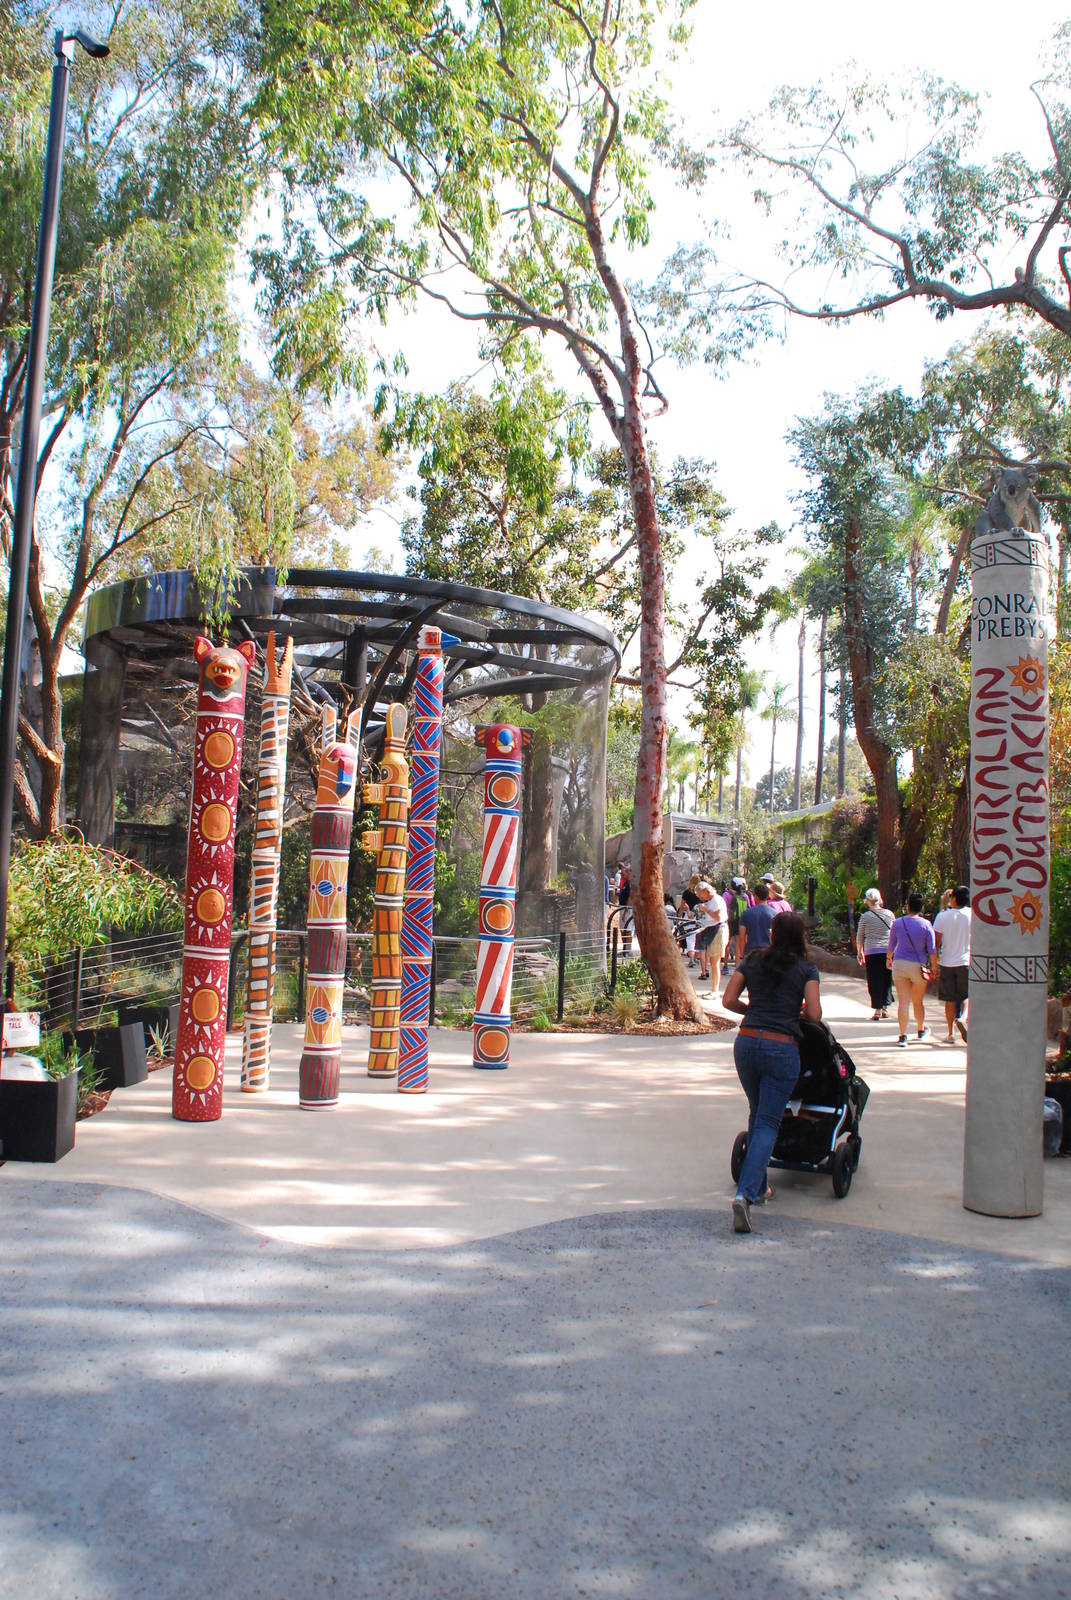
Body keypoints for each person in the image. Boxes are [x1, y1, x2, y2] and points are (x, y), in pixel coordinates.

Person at [722, 912, 821, 1233]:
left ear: (773, 934)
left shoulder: (752, 960)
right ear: (800, 937)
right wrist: (792, 1013)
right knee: (768, 1121)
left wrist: (754, 1010)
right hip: (781, 1047)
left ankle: (760, 1187)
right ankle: (745, 1194)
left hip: (747, 1043)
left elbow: (728, 1000)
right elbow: (815, 1015)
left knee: (757, 1113)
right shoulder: (807, 968)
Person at [887, 892, 935, 1044]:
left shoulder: (898, 923)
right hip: (918, 966)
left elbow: (891, 945)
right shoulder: (926, 925)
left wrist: (889, 959)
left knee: (903, 1001)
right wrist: (934, 967)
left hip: (900, 964)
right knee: (917, 1001)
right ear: (921, 907)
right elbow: (932, 949)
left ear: (908, 906)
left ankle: (903, 1036)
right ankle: (920, 1030)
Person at [933, 884, 971, 1044]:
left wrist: (934, 963)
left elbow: (936, 942)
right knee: (967, 996)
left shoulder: (942, 916)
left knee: (949, 999)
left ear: (953, 897)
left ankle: (950, 1033)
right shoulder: (972, 915)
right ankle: (962, 1017)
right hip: (966, 961)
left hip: (947, 962)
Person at [855, 887, 894, 1020]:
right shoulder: (889, 914)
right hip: (887, 951)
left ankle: (877, 1010)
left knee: (874, 980)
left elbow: (860, 936)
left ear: (868, 901)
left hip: (871, 951)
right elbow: (893, 933)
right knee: (886, 979)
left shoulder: (865, 917)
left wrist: (860, 952)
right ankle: (884, 1008)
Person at [694, 879, 729, 990]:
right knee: (713, 962)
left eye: (700, 894)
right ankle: (714, 989)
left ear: (706, 891)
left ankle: (715, 990)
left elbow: (718, 917)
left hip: (718, 930)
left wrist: (706, 909)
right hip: (711, 930)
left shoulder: (716, 900)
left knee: (715, 962)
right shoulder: (711, 901)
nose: (700, 897)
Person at [739, 880, 776, 954]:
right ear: (768, 895)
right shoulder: (775, 914)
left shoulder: (746, 914)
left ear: (755, 896)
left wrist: (743, 954)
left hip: (751, 952)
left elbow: (742, 937)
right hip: (768, 953)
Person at [678, 874, 701, 967]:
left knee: (690, 938)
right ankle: (696, 958)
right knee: (697, 938)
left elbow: (682, 905)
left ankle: (691, 959)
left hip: (688, 916)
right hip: (698, 916)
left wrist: (679, 916)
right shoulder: (700, 893)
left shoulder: (686, 892)